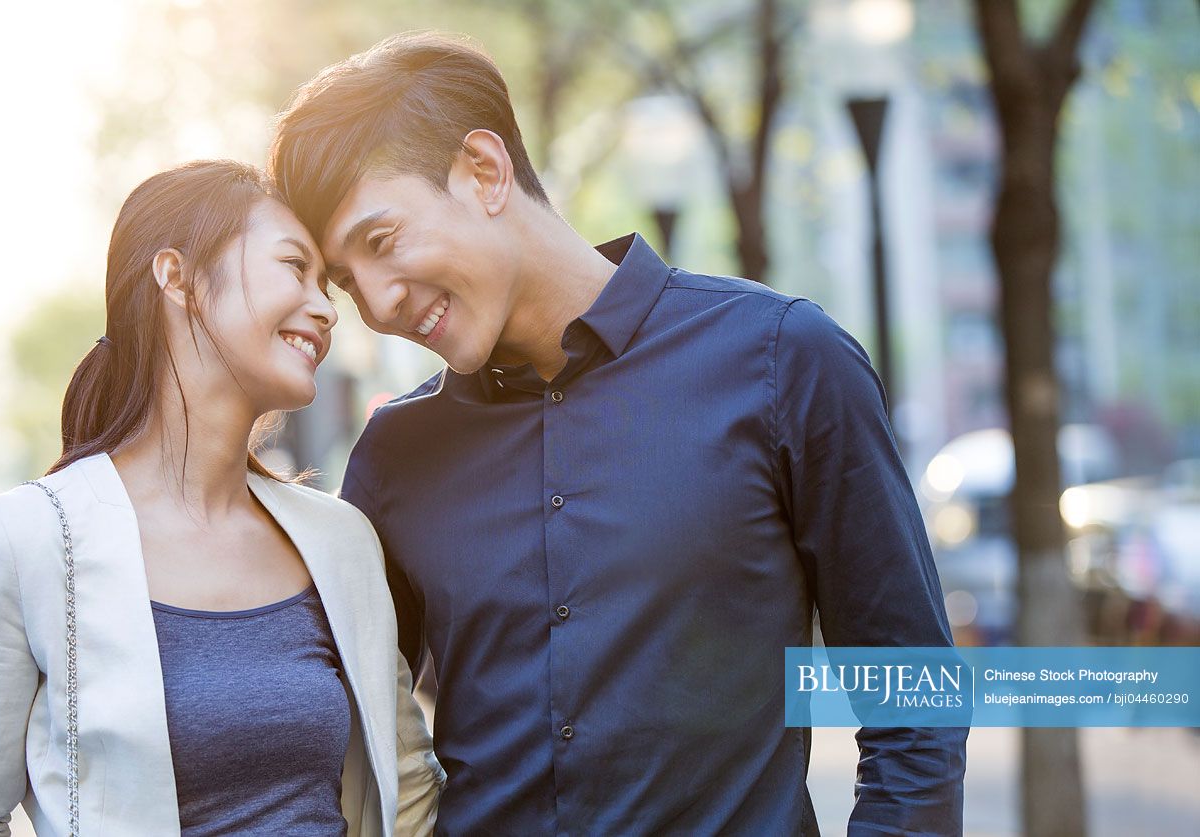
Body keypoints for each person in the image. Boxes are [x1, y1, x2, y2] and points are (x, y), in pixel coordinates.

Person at [269, 33, 967, 836]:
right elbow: (337, 731)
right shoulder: (395, 454)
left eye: (380, 242)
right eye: (348, 280)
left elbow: (915, 704)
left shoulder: (781, 361)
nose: (379, 303)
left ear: (485, 171)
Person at [0, 160, 443, 836]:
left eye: (326, 285)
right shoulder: (19, 541)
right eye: (295, 268)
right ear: (175, 276)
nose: (327, 308)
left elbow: (409, 790)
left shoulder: (341, 539)